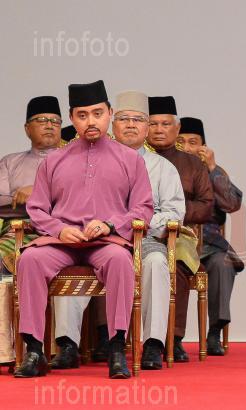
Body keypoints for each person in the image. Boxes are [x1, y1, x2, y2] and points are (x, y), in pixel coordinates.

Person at [14, 80, 154, 379]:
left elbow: (143, 208)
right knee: (29, 259)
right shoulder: (54, 160)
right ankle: (35, 350)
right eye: (82, 115)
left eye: (97, 113)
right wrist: (59, 230)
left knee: (121, 261)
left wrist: (109, 224)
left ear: (109, 114)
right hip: (61, 243)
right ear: (72, 118)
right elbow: (37, 208)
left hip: (106, 242)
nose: (90, 121)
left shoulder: (130, 160)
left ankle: (117, 349)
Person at [52, 91, 186, 371]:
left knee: (157, 262)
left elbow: (175, 213)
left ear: (147, 127)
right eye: (124, 119)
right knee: (70, 260)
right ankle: (67, 344)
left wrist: (133, 223)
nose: (131, 125)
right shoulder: (88, 160)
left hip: (143, 240)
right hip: (97, 239)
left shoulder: (163, 168)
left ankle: (153, 344)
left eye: (138, 119)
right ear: (113, 123)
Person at [147, 97, 214, 362]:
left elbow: (206, 206)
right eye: (153, 124)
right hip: (140, 232)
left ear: (177, 129)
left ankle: (172, 338)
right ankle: (107, 338)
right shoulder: (134, 159)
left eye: (165, 124)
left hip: (180, 233)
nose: (159, 129)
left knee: (177, 264)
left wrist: (173, 213)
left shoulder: (192, 164)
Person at [178, 117, 243, 355]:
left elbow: (232, 204)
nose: (187, 148)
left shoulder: (214, 171)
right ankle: (172, 337)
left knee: (223, 263)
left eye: (193, 142)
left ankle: (214, 331)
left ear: (203, 146)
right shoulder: (168, 168)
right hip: (176, 241)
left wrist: (213, 168)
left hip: (209, 244)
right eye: (181, 142)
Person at [0, 96, 62, 276]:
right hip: (19, 230)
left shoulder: (76, 161)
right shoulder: (10, 162)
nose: (49, 125)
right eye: (41, 120)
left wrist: (37, 193)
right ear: (27, 129)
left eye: (55, 121)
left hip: (61, 230)